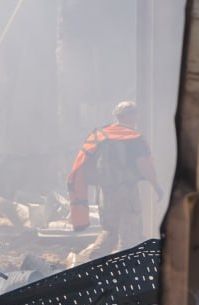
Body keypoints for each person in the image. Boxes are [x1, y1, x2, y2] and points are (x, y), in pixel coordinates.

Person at [66, 100, 163, 262]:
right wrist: (156, 186)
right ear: (128, 116)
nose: (136, 116)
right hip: (127, 193)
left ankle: (89, 263)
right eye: (134, 113)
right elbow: (144, 165)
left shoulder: (100, 135)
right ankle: (125, 271)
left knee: (109, 232)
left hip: (106, 193)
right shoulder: (133, 137)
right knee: (130, 237)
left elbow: (84, 163)